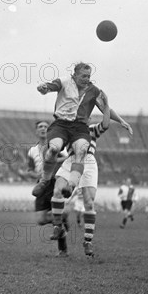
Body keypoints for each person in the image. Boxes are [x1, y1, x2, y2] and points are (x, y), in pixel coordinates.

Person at [50, 92, 133, 257]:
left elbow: (106, 124)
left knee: (89, 202)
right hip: (71, 160)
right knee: (57, 191)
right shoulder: (66, 129)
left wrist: (109, 108)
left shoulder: (91, 130)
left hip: (88, 163)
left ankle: (87, 241)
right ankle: (58, 226)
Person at [33, 62, 122, 199]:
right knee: (54, 149)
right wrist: (43, 88)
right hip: (61, 124)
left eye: (88, 76)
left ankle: (71, 185)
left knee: (81, 150)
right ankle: (44, 180)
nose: (86, 79)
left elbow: (106, 109)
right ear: (74, 74)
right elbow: (49, 87)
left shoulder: (94, 91)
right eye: (83, 76)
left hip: (80, 127)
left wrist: (121, 121)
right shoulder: (64, 81)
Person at [25, 120, 69, 256]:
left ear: (49, 130)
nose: (43, 128)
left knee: (56, 214)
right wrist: (38, 173)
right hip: (41, 184)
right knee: (40, 220)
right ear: (36, 131)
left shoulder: (56, 146)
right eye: (40, 127)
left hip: (55, 182)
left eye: (45, 126)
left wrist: (51, 161)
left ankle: (62, 251)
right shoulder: (32, 151)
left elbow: (67, 159)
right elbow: (29, 170)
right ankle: (63, 218)